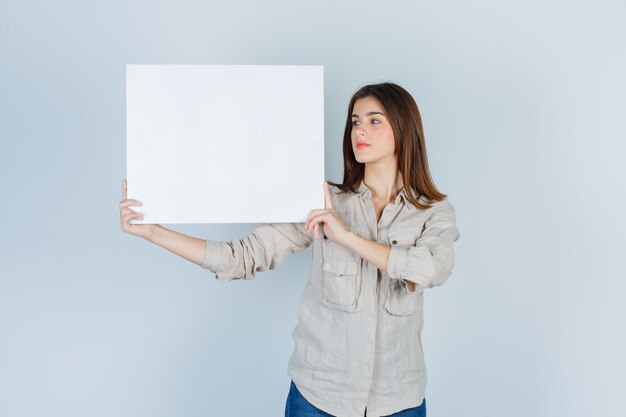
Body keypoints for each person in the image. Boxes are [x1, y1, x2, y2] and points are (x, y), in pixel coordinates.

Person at [119, 82, 460, 417]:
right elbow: (241, 257)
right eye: (355, 121)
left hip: (400, 402)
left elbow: (432, 268)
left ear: (403, 129)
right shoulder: (321, 202)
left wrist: (345, 236)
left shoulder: (433, 212)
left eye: (374, 120)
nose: (359, 130)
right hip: (317, 399)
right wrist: (154, 233)